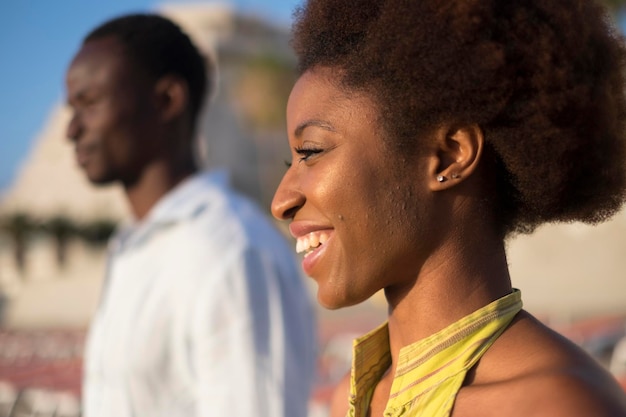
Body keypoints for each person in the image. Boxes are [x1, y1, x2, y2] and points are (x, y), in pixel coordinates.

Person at [271, 1, 626, 416]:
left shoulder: (553, 406)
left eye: (311, 152)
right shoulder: (352, 399)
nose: (281, 202)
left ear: (448, 155)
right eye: (289, 161)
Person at [65, 13, 316, 417]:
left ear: (167, 101)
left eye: (89, 103)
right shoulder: (136, 246)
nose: (71, 129)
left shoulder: (230, 250)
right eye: (71, 108)